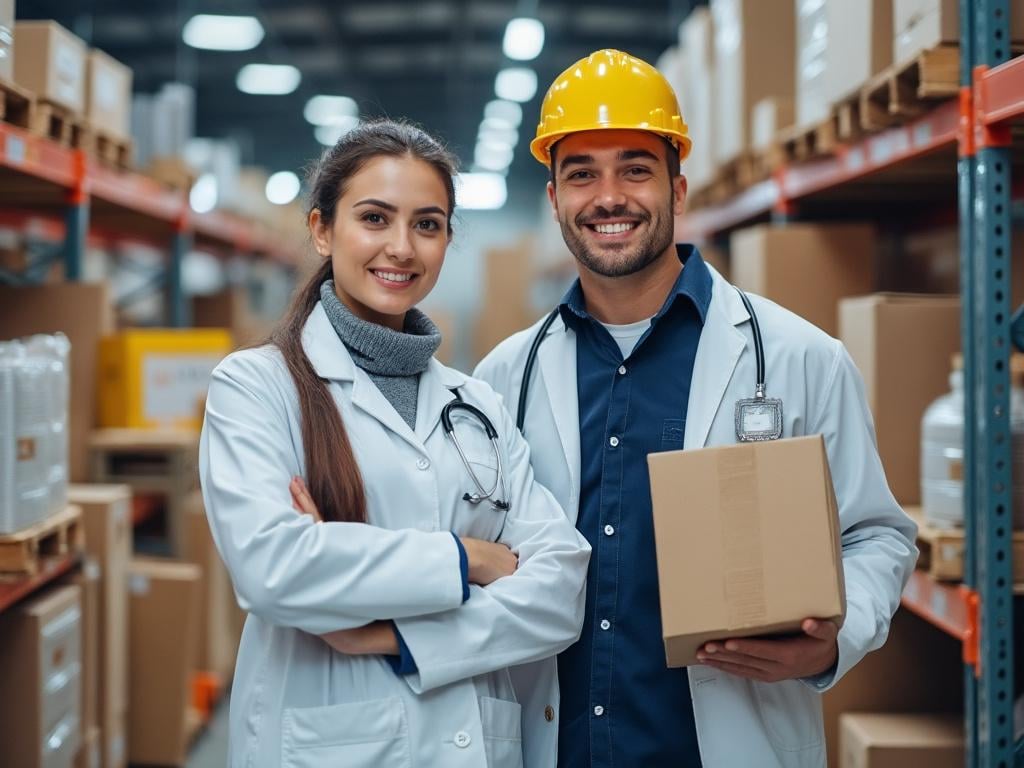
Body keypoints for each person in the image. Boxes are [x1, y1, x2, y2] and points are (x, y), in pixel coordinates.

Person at [474, 50, 918, 767]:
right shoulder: (503, 378)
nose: (608, 196)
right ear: (554, 197)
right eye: (581, 173)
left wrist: (835, 638)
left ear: (677, 187)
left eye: (635, 169)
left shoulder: (799, 358)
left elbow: (879, 537)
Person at [199, 119, 590, 768]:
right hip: (326, 745)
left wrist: (397, 636)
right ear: (323, 229)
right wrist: (472, 559)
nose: (402, 247)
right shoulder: (256, 387)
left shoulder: (476, 406)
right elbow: (276, 568)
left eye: (428, 224)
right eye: (375, 218)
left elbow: (559, 590)